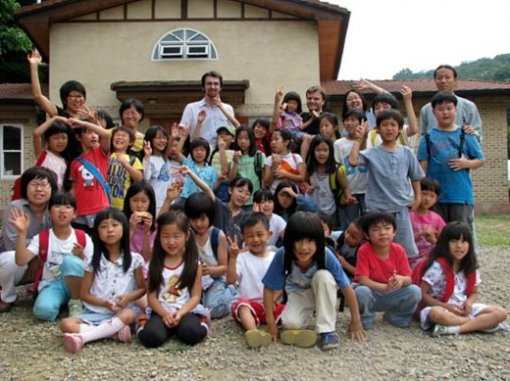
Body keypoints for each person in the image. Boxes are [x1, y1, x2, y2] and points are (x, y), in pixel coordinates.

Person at [263, 212, 366, 351]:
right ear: (289, 240)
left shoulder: (325, 254)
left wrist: (355, 320)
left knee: (323, 276)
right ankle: (302, 324)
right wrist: (270, 324)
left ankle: (327, 330)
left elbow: (346, 287)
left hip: (322, 289)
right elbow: (268, 288)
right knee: (290, 324)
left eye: (309, 241)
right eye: (298, 241)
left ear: (318, 241)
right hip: (298, 292)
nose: (303, 247)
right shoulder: (283, 254)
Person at [60, 208, 146, 354]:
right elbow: (84, 294)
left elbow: (142, 288)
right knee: (66, 324)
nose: (110, 230)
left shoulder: (134, 259)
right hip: (96, 312)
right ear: (97, 232)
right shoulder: (93, 260)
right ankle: (113, 332)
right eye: (104, 226)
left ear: (124, 229)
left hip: (122, 312)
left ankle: (84, 338)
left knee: (129, 315)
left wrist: (127, 298)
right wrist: (104, 303)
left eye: (114, 225)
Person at [349, 109, 425, 261]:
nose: (389, 128)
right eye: (384, 125)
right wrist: (359, 139)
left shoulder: (407, 152)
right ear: (377, 129)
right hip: (377, 209)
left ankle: (404, 277)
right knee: (378, 247)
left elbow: (416, 177)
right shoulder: (372, 153)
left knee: (405, 249)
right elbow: (353, 161)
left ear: (399, 129)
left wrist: (417, 198)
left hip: (400, 207)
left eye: (393, 125)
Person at [11, 192, 93, 321]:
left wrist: (81, 255)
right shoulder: (42, 237)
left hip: (79, 283)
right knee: (43, 312)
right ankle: (61, 302)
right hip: (53, 284)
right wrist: (22, 233)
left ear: (75, 214)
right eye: (57, 206)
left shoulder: (82, 237)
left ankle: (76, 302)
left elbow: (95, 267)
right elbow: (21, 261)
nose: (62, 210)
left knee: (70, 261)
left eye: (67, 206)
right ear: (49, 213)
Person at [416, 222, 507, 336]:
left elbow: (474, 293)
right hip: (441, 307)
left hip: (463, 308)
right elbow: (423, 293)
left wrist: (469, 303)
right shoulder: (437, 267)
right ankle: (478, 324)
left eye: (464, 241)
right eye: (454, 241)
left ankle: (454, 329)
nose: (459, 246)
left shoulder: (470, 267)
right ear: (445, 244)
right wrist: (445, 306)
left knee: (501, 313)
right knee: (436, 314)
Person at [137, 211, 209, 348]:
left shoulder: (193, 264)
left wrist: (181, 313)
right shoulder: (155, 263)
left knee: (191, 333)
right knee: (151, 337)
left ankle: (203, 322)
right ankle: (146, 325)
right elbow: (151, 297)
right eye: (165, 236)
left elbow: (195, 297)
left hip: (186, 311)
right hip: (160, 311)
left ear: (186, 236)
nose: (171, 242)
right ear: (159, 237)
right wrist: (164, 314)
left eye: (176, 236)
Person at [417, 92, 484, 234]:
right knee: (438, 236)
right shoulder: (427, 137)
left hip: (461, 195)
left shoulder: (466, 134)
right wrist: (419, 195)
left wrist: (466, 163)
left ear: (456, 110)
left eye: (449, 108)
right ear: (434, 112)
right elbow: (422, 167)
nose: (445, 112)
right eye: (440, 109)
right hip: (435, 197)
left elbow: (480, 160)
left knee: (461, 235)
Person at [0, 167, 57, 312]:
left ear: (52, 189)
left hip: (40, 260)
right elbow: (12, 244)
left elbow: (58, 239)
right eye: (34, 185)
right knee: (13, 258)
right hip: (14, 262)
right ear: (25, 187)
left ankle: (42, 289)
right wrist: (36, 254)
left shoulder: (55, 209)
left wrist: (38, 254)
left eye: (44, 185)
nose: (39, 189)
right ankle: (6, 298)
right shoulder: (15, 208)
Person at [353, 212, 422, 330]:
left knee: (415, 291)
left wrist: (400, 279)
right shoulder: (364, 250)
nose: (383, 233)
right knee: (361, 291)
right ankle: (366, 316)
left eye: (387, 228)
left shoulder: (399, 250)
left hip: (393, 293)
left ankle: (397, 316)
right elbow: (363, 279)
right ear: (367, 234)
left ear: (394, 232)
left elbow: (409, 278)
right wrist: (384, 287)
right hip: (373, 292)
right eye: (376, 229)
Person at [227, 213, 284, 348]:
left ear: (269, 234)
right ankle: (253, 332)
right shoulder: (242, 258)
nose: (256, 239)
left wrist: (274, 300)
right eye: (250, 236)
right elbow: (230, 280)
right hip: (249, 304)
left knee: (288, 311)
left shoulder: (275, 257)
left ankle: (288, 331)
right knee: (242, 307)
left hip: (271, 305)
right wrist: (233, 258)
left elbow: (282, 284)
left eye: (259, 234)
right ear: (244, 238)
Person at [184, 174, 237, 319]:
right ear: (188, 219)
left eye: (202, 219)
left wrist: (210, 270)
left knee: (213, 310)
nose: (199, 224)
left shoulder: (217, 235)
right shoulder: (187, 236)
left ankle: (232, 290)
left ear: (210, 217)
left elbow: (223, 267)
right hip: (193, 279)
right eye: (194, 219)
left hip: (215, 278)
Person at [68, 117, 112, 234]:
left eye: (96, 133)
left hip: (100, 208)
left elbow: (106, 135)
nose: (94, 136)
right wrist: (70, 207)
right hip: (80, 211)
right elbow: (74, 187)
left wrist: (83, 123)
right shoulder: (75, 162)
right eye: (88, 132)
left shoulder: (101, 153)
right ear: (78, 137)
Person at [419, 64, 482, 138]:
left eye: (447, 77)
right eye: (439, 78)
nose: (443, 81)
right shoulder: (426, 109)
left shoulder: (469, 106)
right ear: (435, 81)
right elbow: (424, 136)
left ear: (455, 80)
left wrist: (473, 132)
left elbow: (478, 135)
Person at [179, 71, 239, 147]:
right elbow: (181, 135)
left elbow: (235, 131)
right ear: (203, 87)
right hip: (199, 154)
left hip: (221, 155)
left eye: (216, 84)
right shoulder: (191, 108)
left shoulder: (228, 109)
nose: (212, 87)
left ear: (220, 88)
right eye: (209, 83)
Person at [304, 135, 354, 226]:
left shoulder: (336, 170)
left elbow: (345, 186)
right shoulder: (309, 168)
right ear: (312, 151)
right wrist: (308, 187)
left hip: (331, 212)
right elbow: (304, 181)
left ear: (331, 152)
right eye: (318, 150)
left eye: (325, 150)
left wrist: (348, 197)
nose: (322, 153)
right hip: (313, 211)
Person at [334, 108, 368, 230]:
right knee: (350, 226)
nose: (349, 123)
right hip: (349, 191)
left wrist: (362, 137)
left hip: (367, 191)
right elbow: (338, 169)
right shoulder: (339, 144)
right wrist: (346, 190)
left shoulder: (370, 141)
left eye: (353, 120)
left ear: (362, 123)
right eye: (346, 120)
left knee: (368, 225)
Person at [409, 178, 446, 268]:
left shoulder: (437, 219)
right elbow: (401, 241)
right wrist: (420, 234)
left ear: (436, 199)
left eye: (432, 196)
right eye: (424, 194)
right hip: (411, 258)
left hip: (431, 258)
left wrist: (433, 240)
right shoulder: (408, 216)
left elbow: (444, 244)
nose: (427, 199)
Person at [123, 180, 157, 277]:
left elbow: (146, 257)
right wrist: (131, 228)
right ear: (128, 201)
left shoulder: (153, 226)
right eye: (135, 200)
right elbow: (120, 251)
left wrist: (147, 232)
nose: (139, 205)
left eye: (144, 201)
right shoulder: (120, 221)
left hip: (143, 271)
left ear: (150, 203)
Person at [107, 126, 143, 210]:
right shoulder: (106, 155)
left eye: (123, 136)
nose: (119, 137)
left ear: (130, 142)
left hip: (123, 204)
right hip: (105, 202)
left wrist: (125, 164)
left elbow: (139, 178)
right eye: (117, 135)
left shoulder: (133, 159)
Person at [229, 125, 266, 207]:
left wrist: (262, 198)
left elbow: (263, 178)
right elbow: (231, 180)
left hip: (255, 201)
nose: (243, 141)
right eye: (240, 138)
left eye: (246, 138)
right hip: (238, 201)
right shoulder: (235, 156)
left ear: (251, 140)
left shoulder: (259, 155)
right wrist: (235, 162)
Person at [32, 115, 69, 191]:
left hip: (55, 198)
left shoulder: (65, 161)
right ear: (47, 140)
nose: (60, 141)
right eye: (56, 138)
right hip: (42, 194)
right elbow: (36, 134)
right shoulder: (43, 155)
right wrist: (55, 118)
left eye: (63, 137)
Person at [262, 128, 306, 193]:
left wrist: (286, 174)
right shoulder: (269, 159)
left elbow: (302, 178)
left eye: (276, 139)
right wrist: (274, 165)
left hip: (293, 195)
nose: (273, 142)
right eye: (271, 140)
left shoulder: (296, 158)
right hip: (274, 196)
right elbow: (266, 183)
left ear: (286, 142)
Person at [142, 125, 172, 215]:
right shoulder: (149, 159)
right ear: (150, 140)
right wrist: (147, 156)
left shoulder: (164, 159)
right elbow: (144, 179)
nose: (162, 141)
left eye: (164, 138)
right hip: (156, 204)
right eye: (158, 138)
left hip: (168, 202)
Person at [209, 125, 236, 202]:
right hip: (212, 185)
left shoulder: (233, 153)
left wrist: (222, 149)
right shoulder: (213, 152)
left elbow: (225, 170)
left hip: (224, 186)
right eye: (220, 134)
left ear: (233, 139)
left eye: (226, 134)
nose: (223, 136)